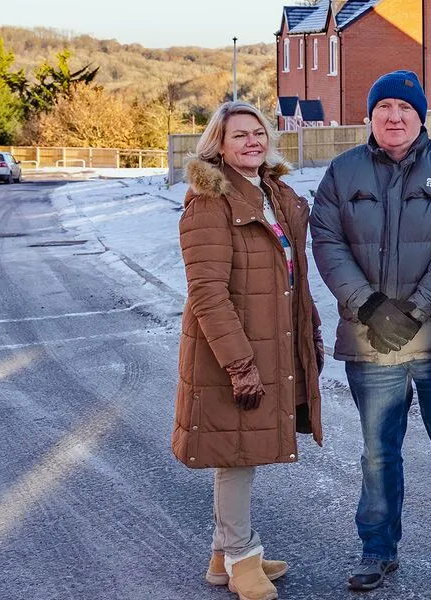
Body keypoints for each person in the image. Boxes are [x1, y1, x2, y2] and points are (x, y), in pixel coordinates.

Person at [308, 70, 431, 592]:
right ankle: (377, 549)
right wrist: (370, 307)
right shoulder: (343, 172)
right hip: (371, 342)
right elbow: (327, 243)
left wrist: (415, 311)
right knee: (378, 453)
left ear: (421, 117)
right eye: (384, 107)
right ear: (370, 116)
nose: (394, 116)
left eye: (405, 108)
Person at [172, 100, 325, 600]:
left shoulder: (273, 194)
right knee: (235, 455)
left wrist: (310, 333)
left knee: (240, 452)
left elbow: (293, 278)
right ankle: (241, 557)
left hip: (271, 343)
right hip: (231, 354)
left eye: (258, 133)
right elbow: (207, 294)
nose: (252, 142)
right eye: (239, 135)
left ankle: (224, 556)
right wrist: (240, 366)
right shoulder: (209, 203)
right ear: (218, 145)